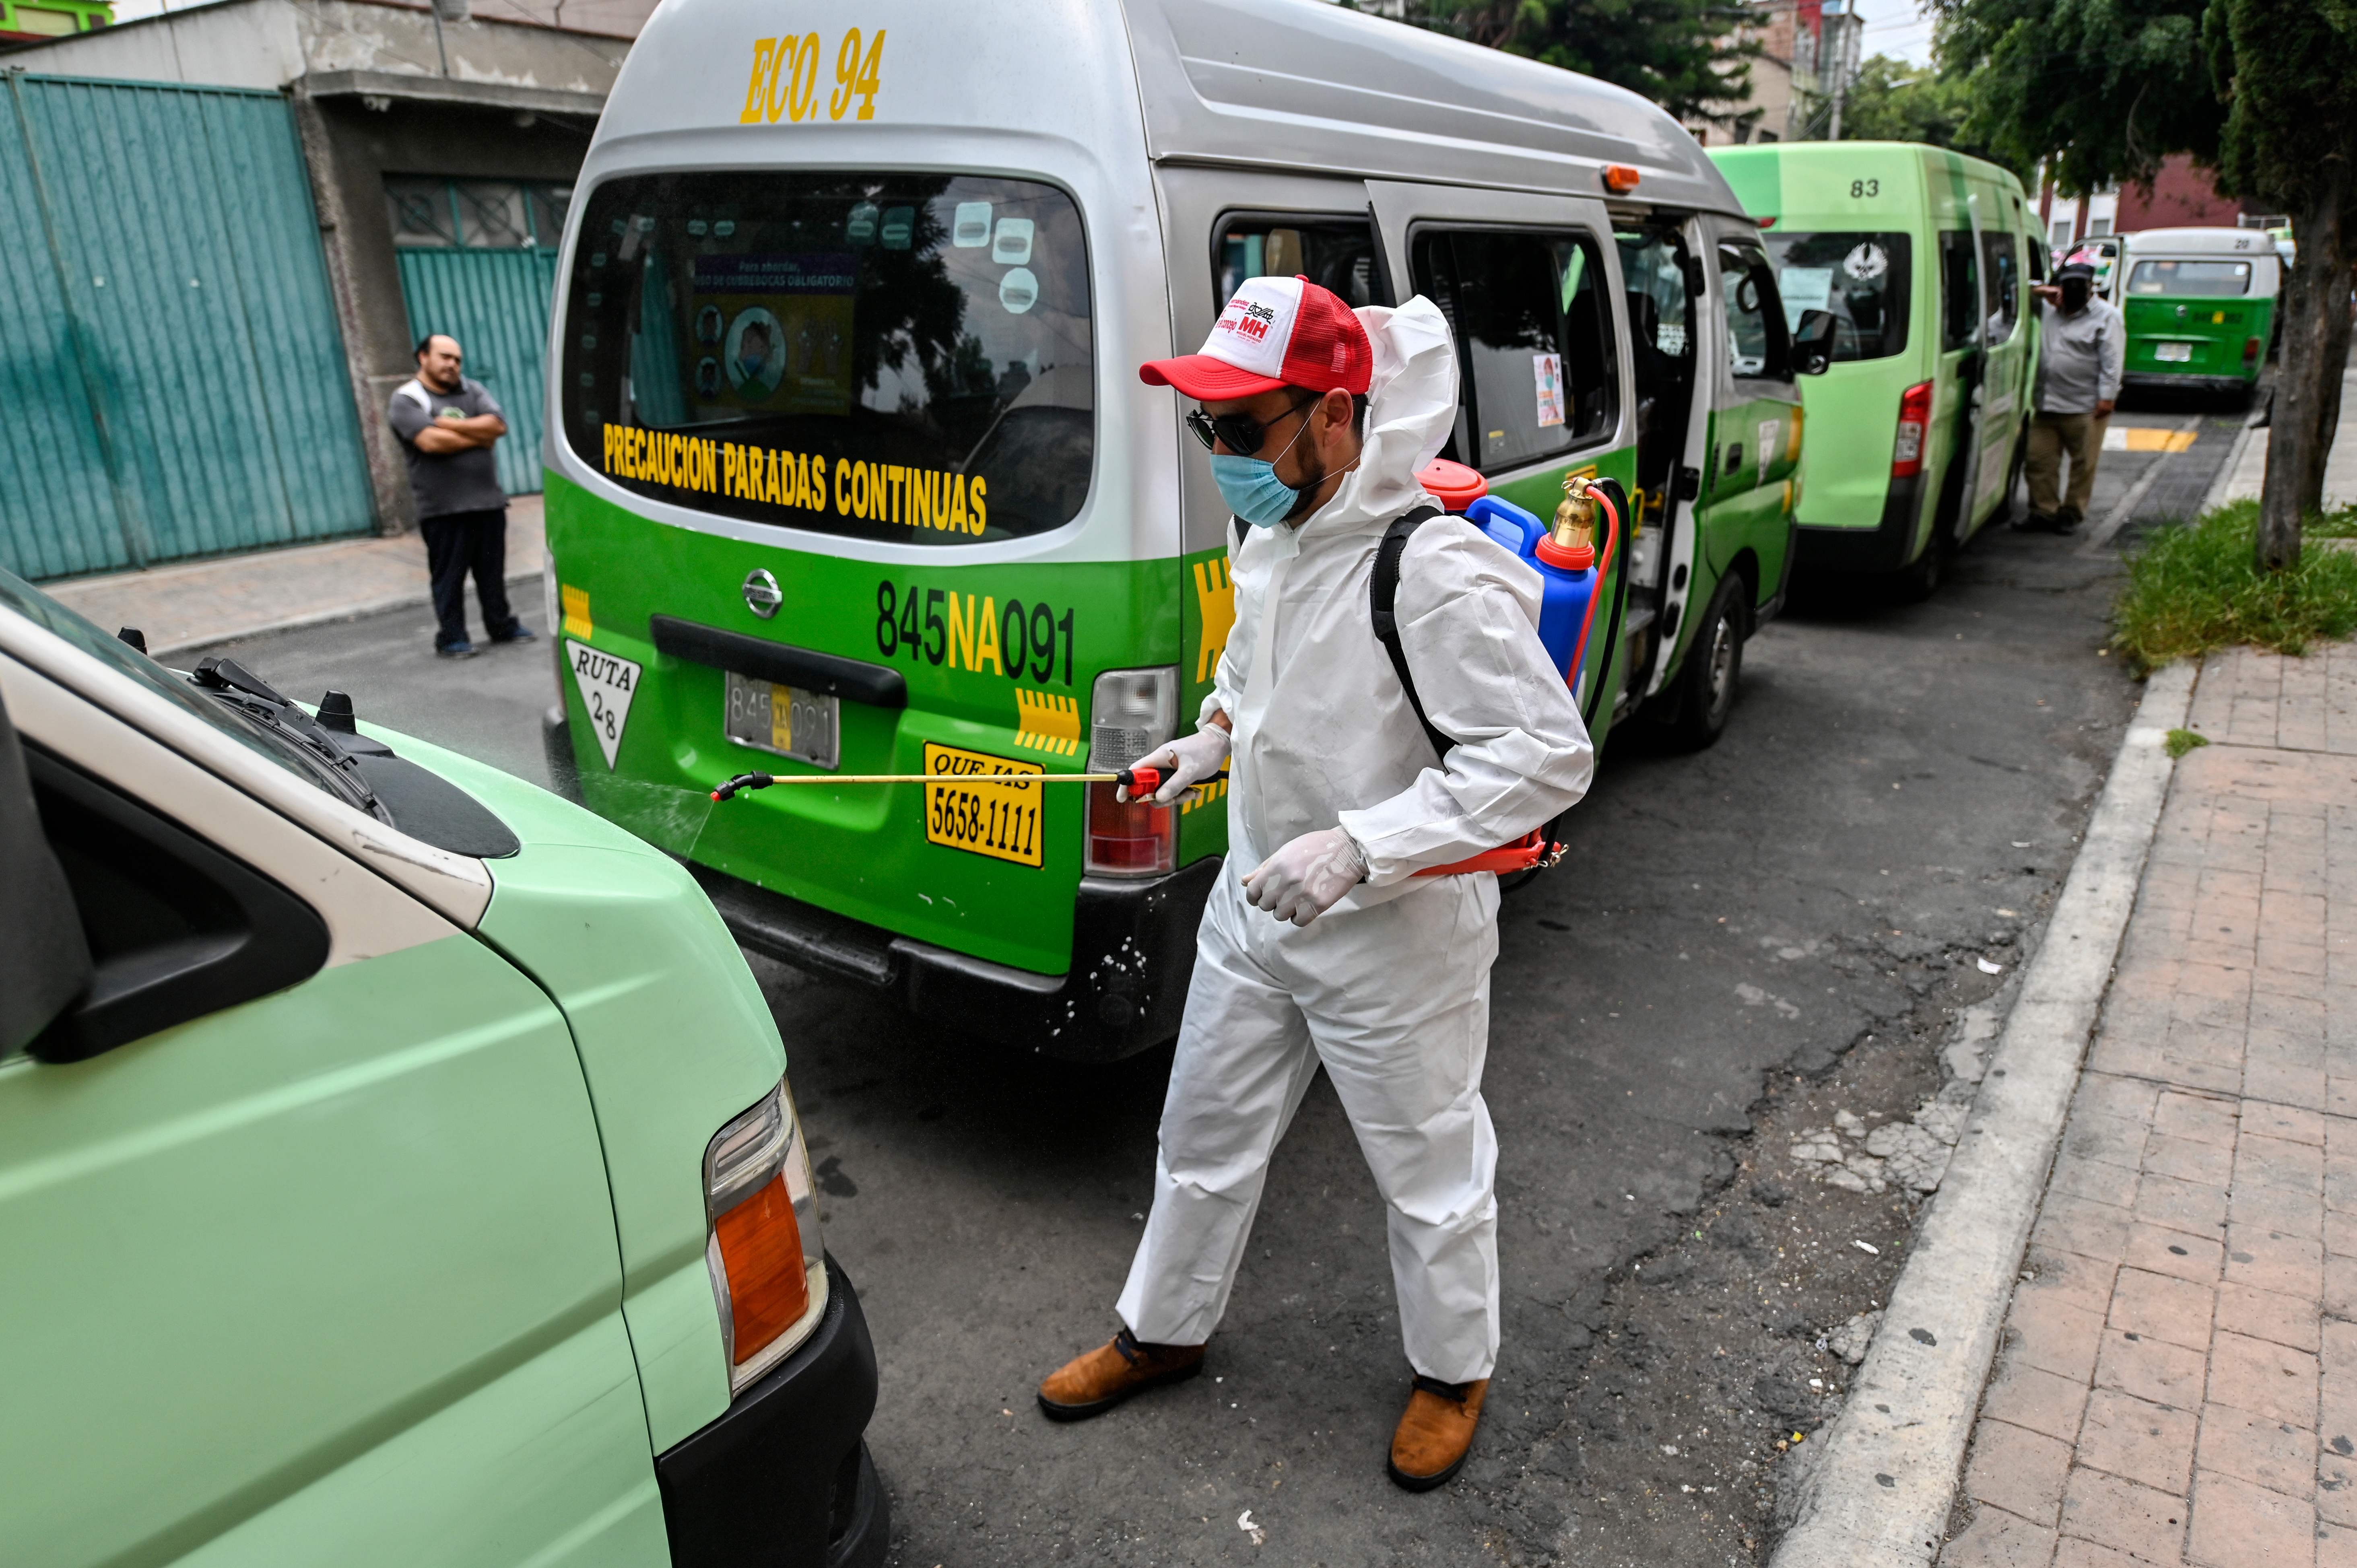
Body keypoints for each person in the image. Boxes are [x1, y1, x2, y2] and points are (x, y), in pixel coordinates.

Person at [1035, 277, 1595, 1491]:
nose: (1221, 453)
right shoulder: (1272, 533)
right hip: (1252, 906)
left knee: (1428, 1171)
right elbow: (1254, 675)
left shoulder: (1429, 569)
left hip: (1391, 940)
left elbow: (1545, 758)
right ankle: (1160, 1332)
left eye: (1242, 429)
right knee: (1200, 1137)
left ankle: (1453, 1370)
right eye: (1208, 428)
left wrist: (1361, 846)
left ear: (1335, 417)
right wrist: (1207, 742)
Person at [389, 334, 532, 657]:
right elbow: (430, 443)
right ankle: (452, 638)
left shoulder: (472, 390)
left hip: (488, 502)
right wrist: (478, 436)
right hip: (443, 509)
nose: (452, 364)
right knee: (449, 578)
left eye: (457, 359)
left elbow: (497, 426)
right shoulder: (407, 399)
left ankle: (502, 626)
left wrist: (447, 425)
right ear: (423, 357)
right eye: (445, 357)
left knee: (492, 574)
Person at [2020, 260, 2124, 534]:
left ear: (2091, 287)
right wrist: (2041, 292)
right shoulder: (2047, 309)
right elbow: (2017, 290)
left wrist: (2107, 398)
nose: (2074, 290)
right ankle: (2044, 511)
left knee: (2083, 465)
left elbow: (2112, 361)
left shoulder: (2107, 316)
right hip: (2046, 404)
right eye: (2068, 285)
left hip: (2085, 407)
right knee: (2038, 461)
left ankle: (2071, 512)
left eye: (2080, 285)